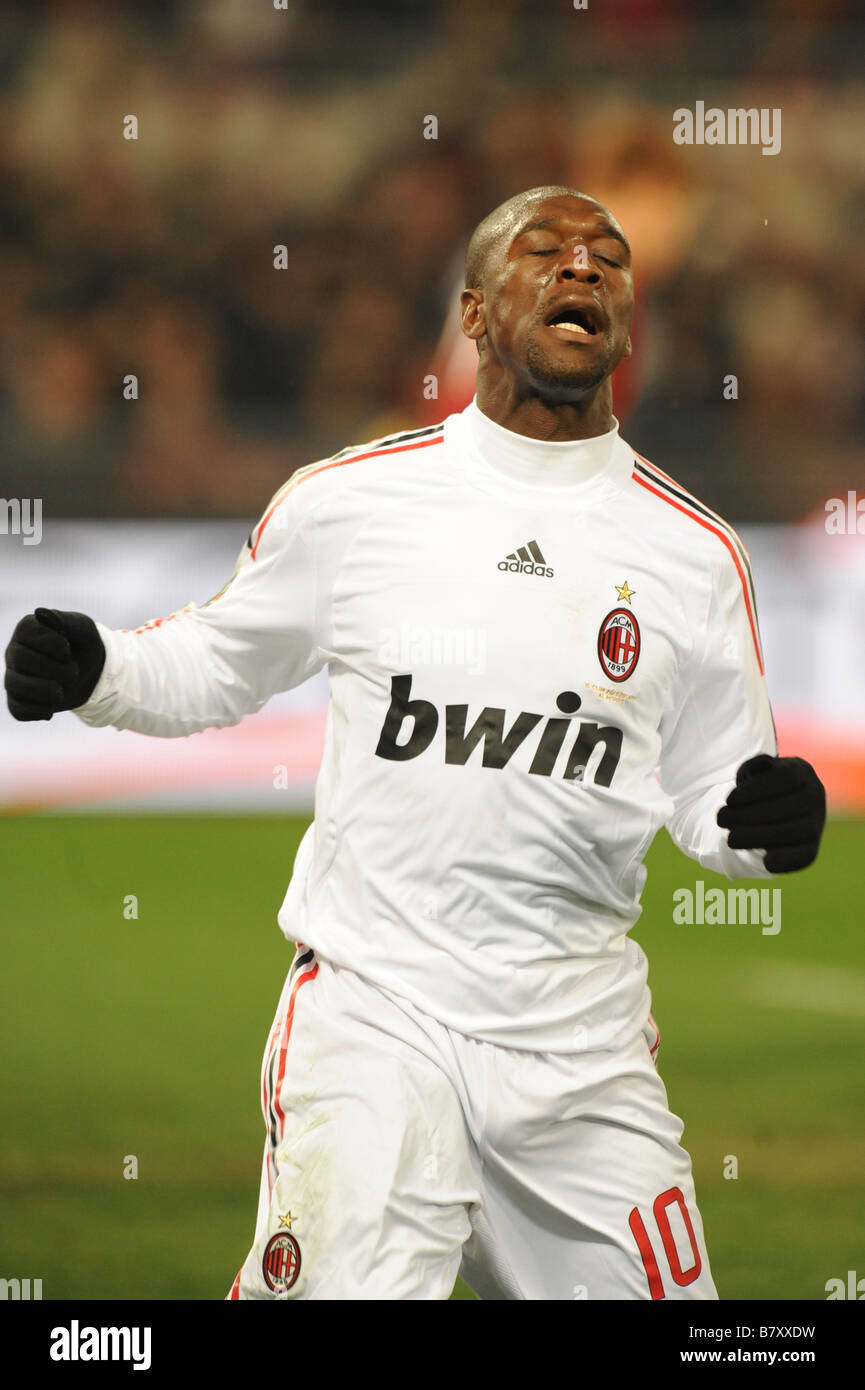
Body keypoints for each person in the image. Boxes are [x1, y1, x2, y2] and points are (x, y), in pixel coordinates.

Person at [4, 186, 826, 1300]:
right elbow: (216, 661)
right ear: (477, 314)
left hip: (581, 1054)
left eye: (607, 259)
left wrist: (766, 827)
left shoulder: (694, 552)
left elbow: (713, 792)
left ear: (628, 318)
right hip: (376, 1019)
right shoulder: (355, 502)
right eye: (546, 252)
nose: (582, 269)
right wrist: (98, 669)